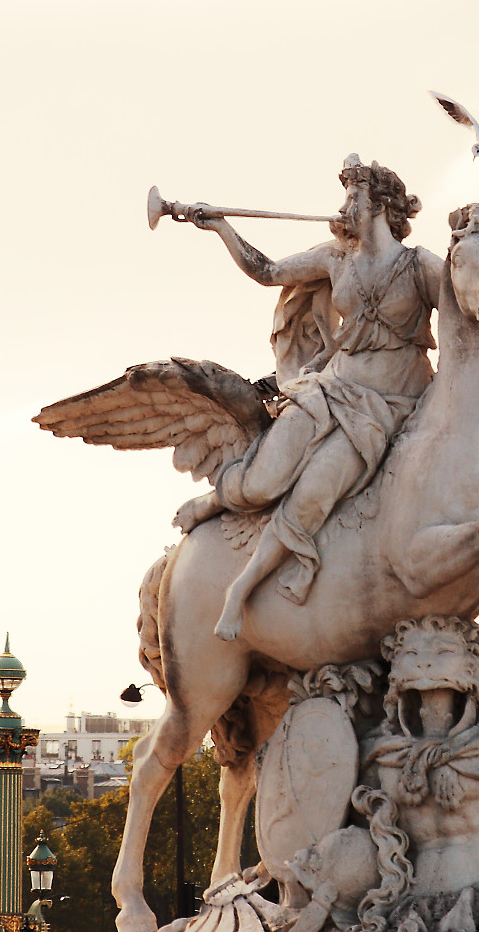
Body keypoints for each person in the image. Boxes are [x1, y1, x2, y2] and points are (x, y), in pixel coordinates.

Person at [182, 156, 443, 641]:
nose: (344, 206)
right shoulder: (335, 257)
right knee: (264, 480)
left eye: (353, 196)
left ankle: (241, 589)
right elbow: (267, 271)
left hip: (388, 407)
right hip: (332, 391)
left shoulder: (421, 266)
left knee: (315, 489)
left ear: (381, 206)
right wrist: (220, 227)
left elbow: (472, 320)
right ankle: (214, 502)